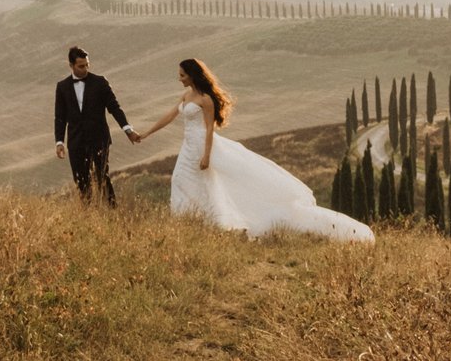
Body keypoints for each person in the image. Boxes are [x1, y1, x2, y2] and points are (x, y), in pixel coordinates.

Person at [127, 58, 372, 243]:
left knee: (206, 182)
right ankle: (189, 224)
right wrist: (146, 134)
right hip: (187, 146)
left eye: (182, 75)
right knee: (181, 180)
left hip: (202, 146)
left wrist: (206, 156)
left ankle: (216, 223)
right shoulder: (186, 95)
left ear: (192, 75)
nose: (179, 79)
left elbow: (210, 130)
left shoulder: (206, 100)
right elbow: (170, 116)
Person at [53, 45, 128, 206]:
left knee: (102, 177)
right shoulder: (62, 87)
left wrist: (127, 128)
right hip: (76, 141)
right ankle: (88, 215)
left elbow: (114, 107)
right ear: (71, 66)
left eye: (87, 64)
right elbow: (60, 117)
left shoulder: (100, 82)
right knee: (81, 181)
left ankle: (112, 211)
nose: (85, 69)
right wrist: (59, 142)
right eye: (81, 66)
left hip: (99, 139)